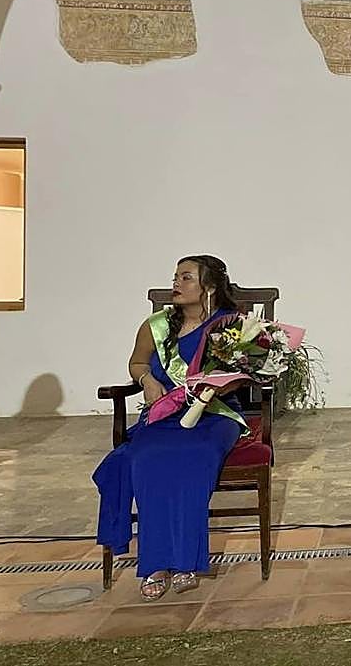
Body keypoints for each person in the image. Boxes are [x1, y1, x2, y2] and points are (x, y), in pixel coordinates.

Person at [93, 255, 251, 600]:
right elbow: (136, 361)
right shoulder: (157, 324)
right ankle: (155, 564)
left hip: (215, 415)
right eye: (175, 277)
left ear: (207, 287)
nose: (175, 284)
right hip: (164, 415)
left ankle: (186, 561)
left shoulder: (230, 326)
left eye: (185, 278)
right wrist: (147, 378)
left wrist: (221, 386)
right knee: (145, 457)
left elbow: (241, 375)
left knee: (195, 455)